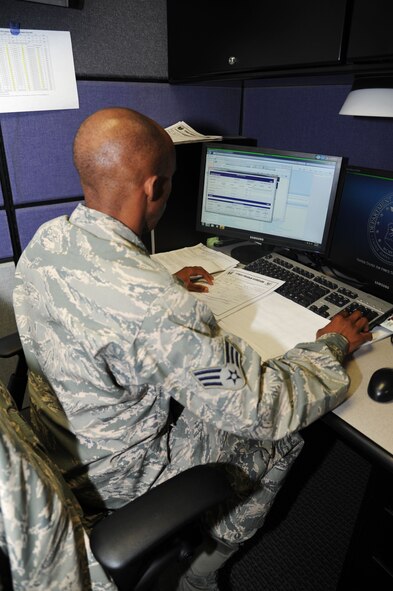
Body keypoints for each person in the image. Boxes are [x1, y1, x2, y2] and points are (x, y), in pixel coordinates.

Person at [13, 108, 372, 591]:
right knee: (272, 430)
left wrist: (160, 281)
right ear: (154, 188)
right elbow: (265, 408)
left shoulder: (48, 239)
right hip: (118, 484)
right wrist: (331, 345)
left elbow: (106, 296)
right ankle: (202, 570)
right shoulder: (156, 309)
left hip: (54, 446)